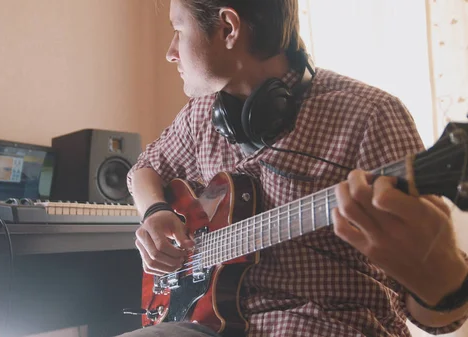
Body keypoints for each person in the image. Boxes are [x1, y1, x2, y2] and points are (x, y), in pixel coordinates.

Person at [120, 0, 468, 336]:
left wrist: (442, 279)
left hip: (329, 324)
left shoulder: (370, 115)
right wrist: (154, 211)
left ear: (228, 27)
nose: (170, 51)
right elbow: (144, 168)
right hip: (207, 325)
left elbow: (438, 319)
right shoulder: (201, 115)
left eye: (178, 29)